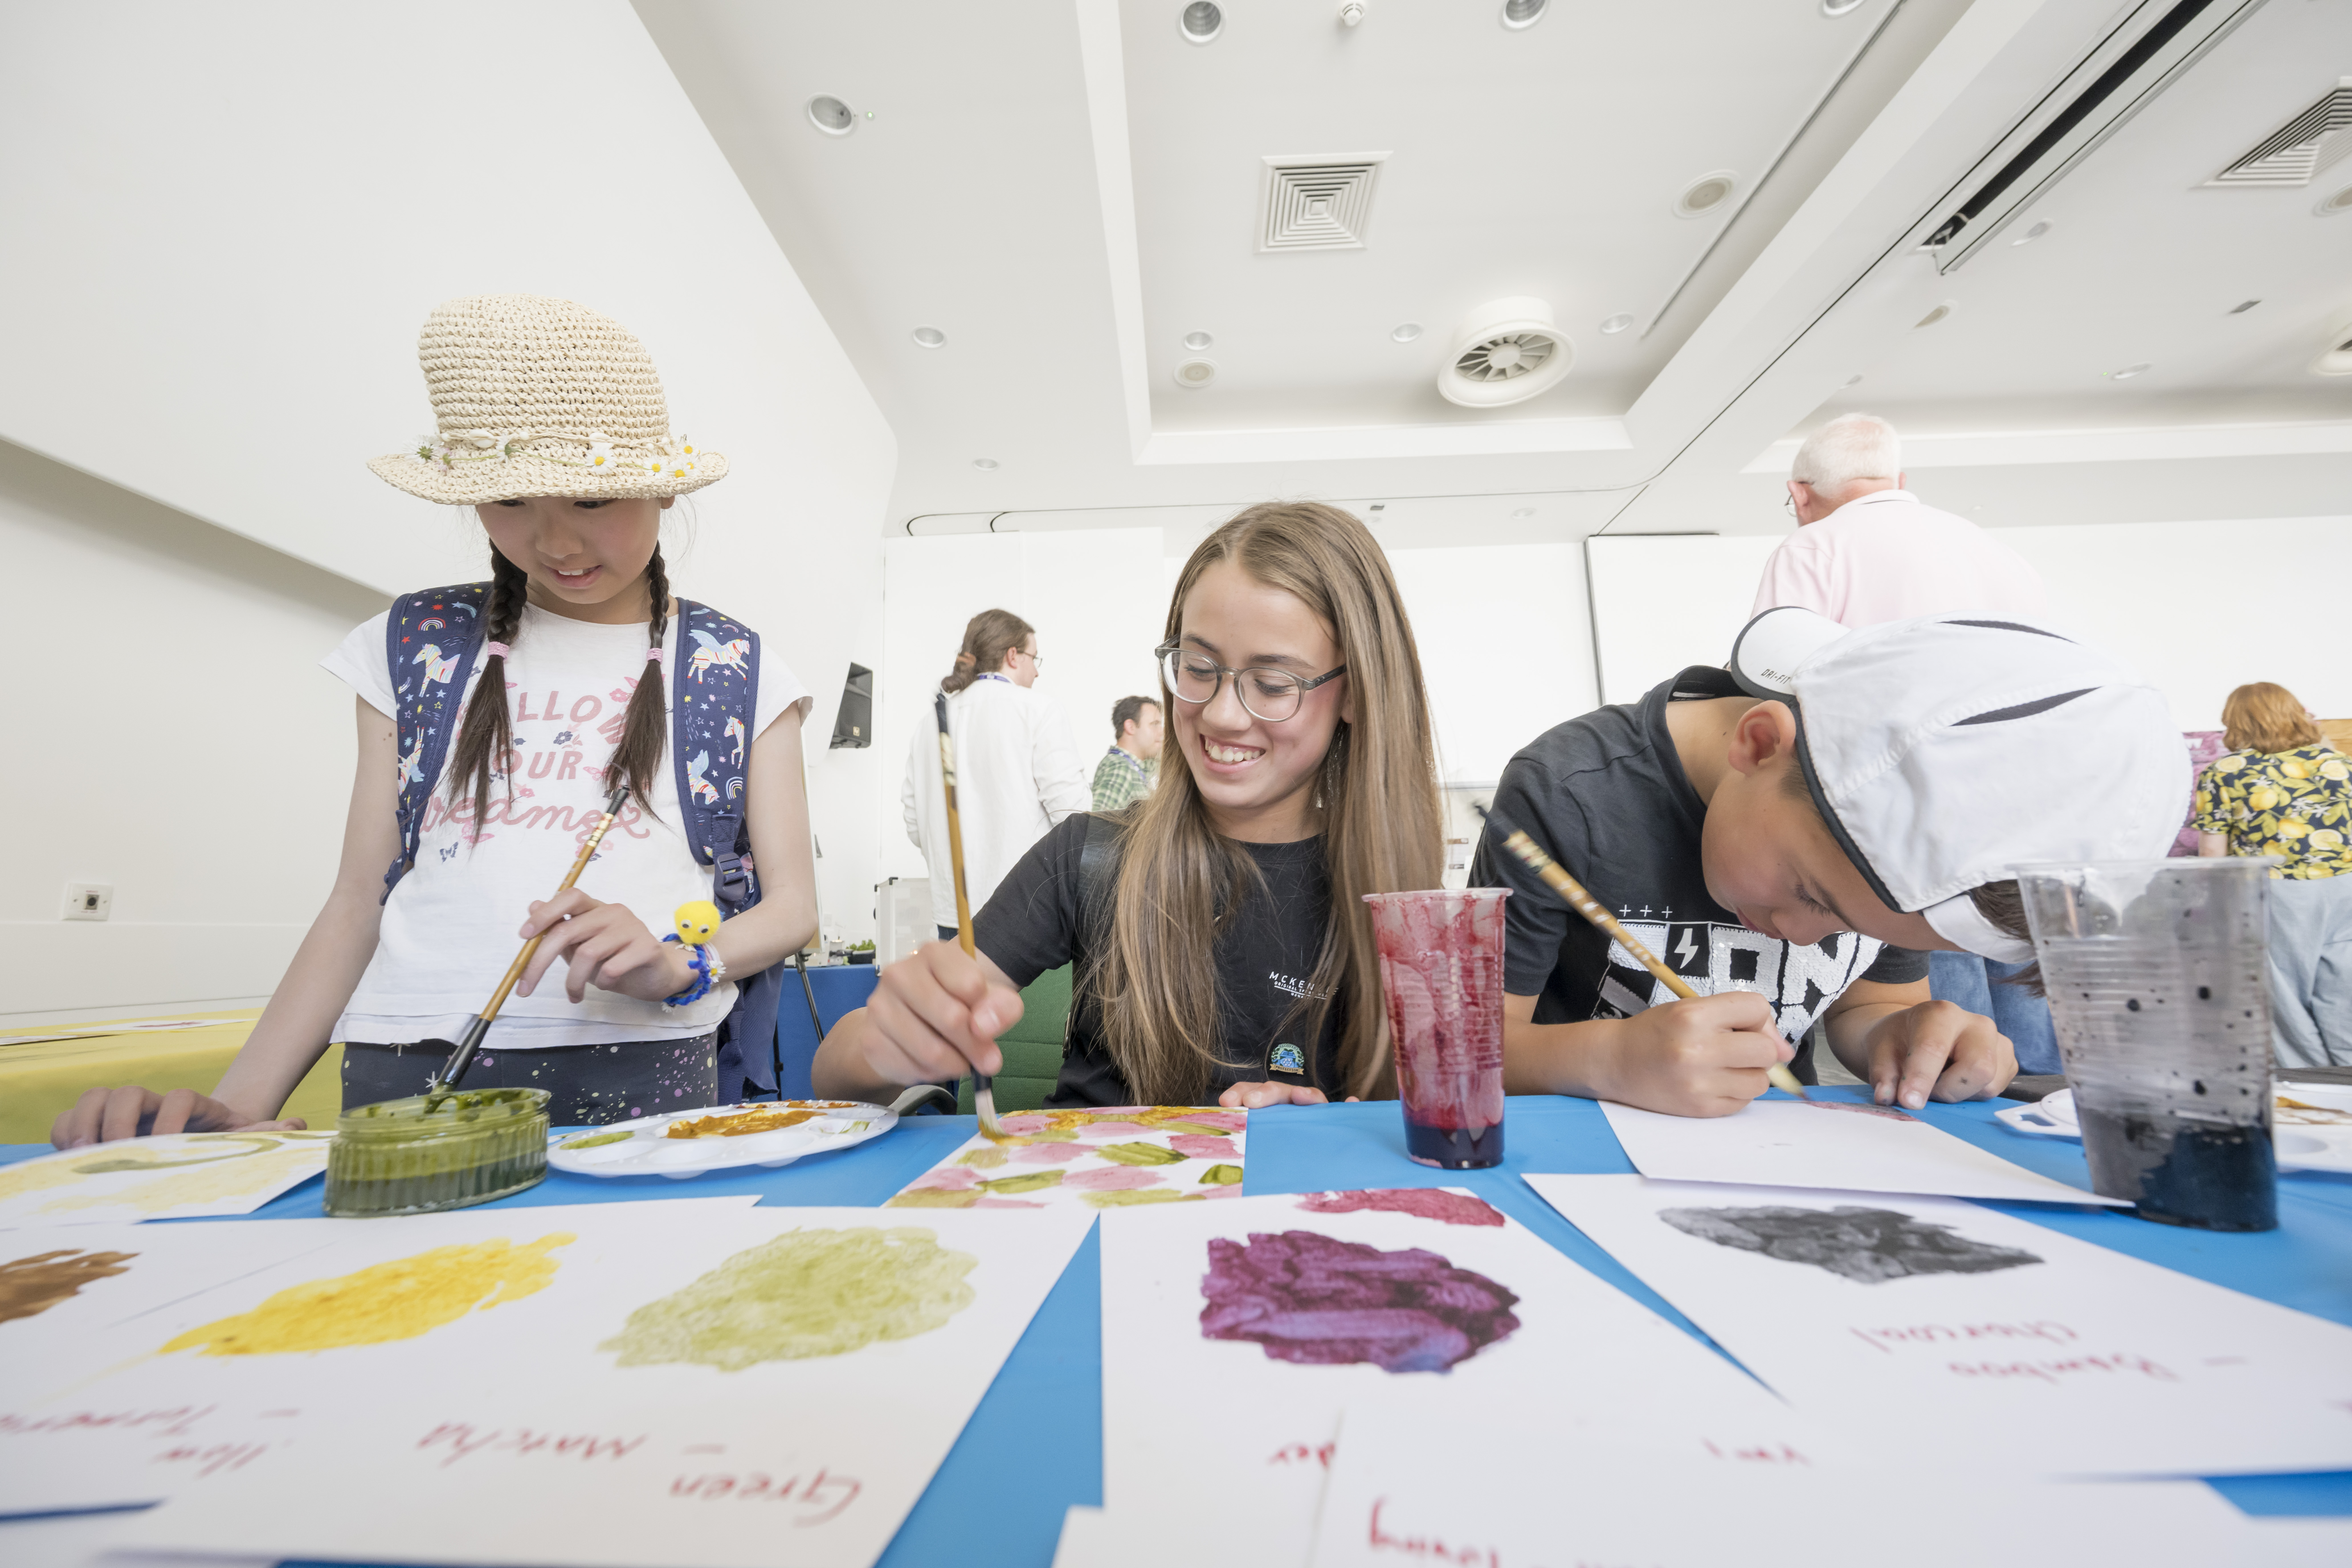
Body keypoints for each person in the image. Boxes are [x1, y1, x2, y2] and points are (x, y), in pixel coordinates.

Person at [52, 295, 816, 1147]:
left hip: (645, 1058)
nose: (556, 542)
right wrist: (241, 1106)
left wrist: (683, 963)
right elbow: (358, 898)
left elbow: (794, 906)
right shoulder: (413, 644)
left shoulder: (735, 665)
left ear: (663, 487)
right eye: (509, 500)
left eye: (592, 500)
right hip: (402, 1060)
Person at [820, 501, 1444, 1110]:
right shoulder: (1089, 854)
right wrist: (884, 1043)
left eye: (1274, 684)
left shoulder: (1403, 902)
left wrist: (1326, 1124)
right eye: (1197, 667)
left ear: (1356, 692)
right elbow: (836, 1076)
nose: (1221, 714)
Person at [1475, 607, 2186, 1118]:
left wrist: (1902, 1036)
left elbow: (1870, 1002)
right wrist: (1608, 1059)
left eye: (1854, 930)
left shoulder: (1882, 861)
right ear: (1759, 745)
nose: (1802, 936)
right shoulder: (1570, 792)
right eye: (1814, 897)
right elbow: (1460, 1049)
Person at [1750, 412, 2047, 626]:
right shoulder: (2004, 555)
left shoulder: (1813, 546)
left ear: (1800, 495)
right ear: (1899, 482)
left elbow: (1770, 668)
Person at [902, 609, 1090, 942]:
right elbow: (1074, 817)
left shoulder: (929, 723)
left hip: (953, 915)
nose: (1037, 671)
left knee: (962, 979)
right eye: (1034, 658)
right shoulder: (1039, 710)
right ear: (1013, 656)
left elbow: (916, 825)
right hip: (1027, 913)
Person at [2195, 681, 2351, 1067]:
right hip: (2346, 884)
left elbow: (2213, 855)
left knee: (2283, 992)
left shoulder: (2225, 772)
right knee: (2344, 984)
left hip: (2280, 891)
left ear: (2236, 722)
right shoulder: (2339, 763)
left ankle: (2308, 1078)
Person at [1091, 695, 1163, 812]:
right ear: (1131, 727)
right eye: (1155, 724)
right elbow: (1097, 822)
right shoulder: (1120, 769)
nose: (1162, 732)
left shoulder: (1141, 766)